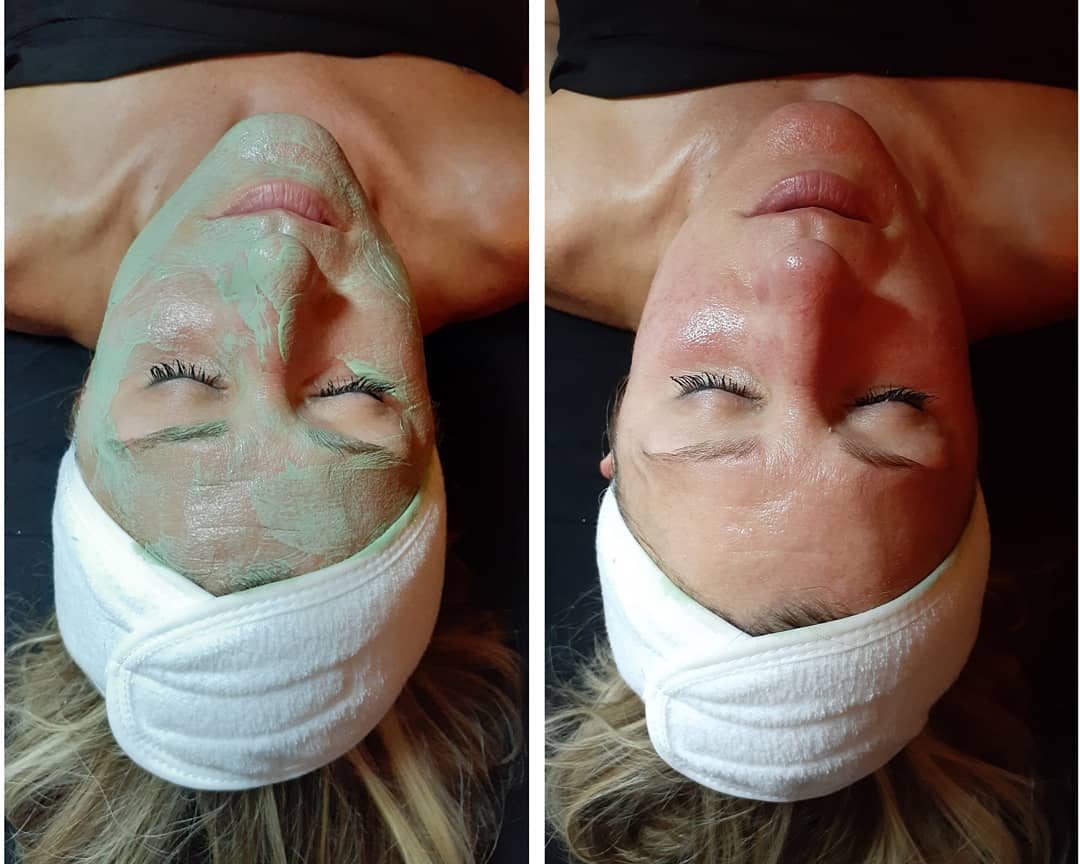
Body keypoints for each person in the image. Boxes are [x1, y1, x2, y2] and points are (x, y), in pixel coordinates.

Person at [545, 4, 1076, 862]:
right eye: (893, 405)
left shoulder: (514, 195)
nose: (808, 268)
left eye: (714, 389)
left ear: (617, 425)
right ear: (977, 440)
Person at [6, 36, 526, 864]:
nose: (280, 260)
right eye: (355, 394)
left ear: (82, 408)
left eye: (180, 377)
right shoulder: (527, 203)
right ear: (431, 429)